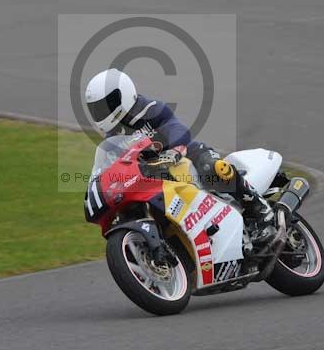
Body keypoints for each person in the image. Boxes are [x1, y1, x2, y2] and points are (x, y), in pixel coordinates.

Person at [84, 68, 290, 243]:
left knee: (214, 168)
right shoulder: (110, 142)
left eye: (106, 105)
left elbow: (177, 129)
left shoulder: (149, 110)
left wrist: (168, 149)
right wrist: (95, 189)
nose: (102, 113)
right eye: (96, 109)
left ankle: (259, 209)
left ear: (123, 94)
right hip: (154, 180)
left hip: (187, 155)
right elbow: (104, 170)